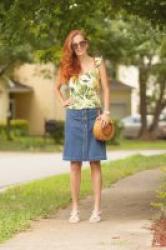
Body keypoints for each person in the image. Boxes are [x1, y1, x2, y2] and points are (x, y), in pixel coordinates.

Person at [55, 29, 111, 223]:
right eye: (75, 45)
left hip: (94, 117)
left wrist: (106, 112)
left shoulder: (98, 63)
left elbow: (106, 89)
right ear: (71, 47)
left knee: (95, 162)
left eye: (82, 43)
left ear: (86, 44)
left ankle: (97, 210)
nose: (79, 47)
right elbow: (57, 87)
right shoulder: (68, 66)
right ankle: (75, 210)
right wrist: (63, 100)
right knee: (75, 164)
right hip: (74, 117)